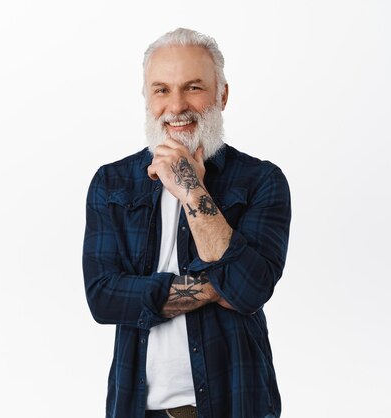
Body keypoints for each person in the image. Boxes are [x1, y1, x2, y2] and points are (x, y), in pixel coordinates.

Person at [83, 28, 291, 418]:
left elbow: (251, 288)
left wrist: (191, 189)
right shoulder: (111, 184)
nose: (176, 106)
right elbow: (103, 297)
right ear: (147, 98)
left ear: (222, 95)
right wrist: (216, 287)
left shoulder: (262, 181)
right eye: (161, 90)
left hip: (236, 404)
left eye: (193, 87)